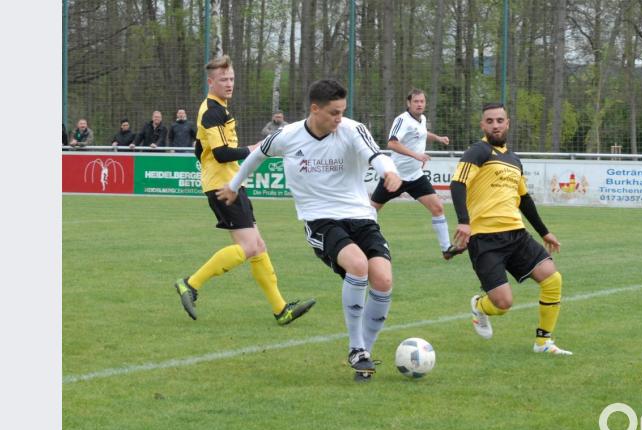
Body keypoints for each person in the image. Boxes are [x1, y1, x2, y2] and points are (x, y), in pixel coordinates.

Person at [217, 79, 403, 382]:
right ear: (314, 109)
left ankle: (364, 356)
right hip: (320, 220)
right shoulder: (288, 136)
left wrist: (390, 172)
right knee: (357, 265)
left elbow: (376, 155)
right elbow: (257, 155)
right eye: (333, 113)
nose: (339, 119)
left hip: (361, 217)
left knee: (382, 279)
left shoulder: (352, 130)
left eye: (342, 112)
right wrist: (234, 186)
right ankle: (356, 346)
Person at [173, 54, 315, 327]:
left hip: (232, 183)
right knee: (249, 247)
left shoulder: (218, 109)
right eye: (223, 79)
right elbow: (223, 153)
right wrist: (257, 149)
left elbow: (200, 148)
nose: (229, 83)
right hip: (224, 187)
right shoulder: (212, 110)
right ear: (210, 82)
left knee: (258, 247)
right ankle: (190, 284)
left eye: (232, 78)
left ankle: (281, 309)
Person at [450, 102, 572, 355]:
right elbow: (458, 183)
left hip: (516, 234)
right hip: (484, 238)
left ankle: (543, 342)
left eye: (500, 120)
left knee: (552, 278)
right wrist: (464, 221)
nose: (495, 125)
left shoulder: (514, 160)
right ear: (483, 125)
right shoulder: (478, 151)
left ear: (508, 123)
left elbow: (524, 199)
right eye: (490, 121)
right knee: (503, 304)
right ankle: (480, 306)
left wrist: (544, 231)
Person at [370, 89, 463, 260]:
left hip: (415, 176)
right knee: (371, 210)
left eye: (422, 101)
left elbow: (422, 133)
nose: (419, 104)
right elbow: (392, 143)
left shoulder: (422, 119)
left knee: (438, 208)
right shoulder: (402, 120)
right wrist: (416, 155)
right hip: (395, 176)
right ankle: (361, 241)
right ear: (408, 103)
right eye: (416, 101)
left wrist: (439, 138)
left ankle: (446, 249)